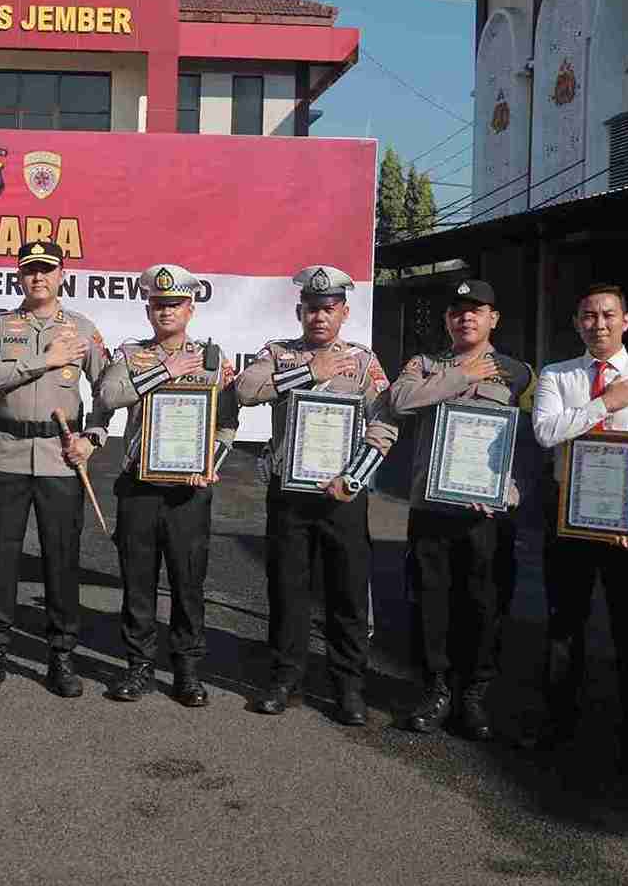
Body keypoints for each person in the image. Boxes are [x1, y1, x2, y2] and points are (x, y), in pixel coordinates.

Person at [526, 283, 628, 773]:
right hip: (567, 521)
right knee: (564, 626)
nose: (599, 324)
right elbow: (546, 433)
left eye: (608, 315)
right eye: (589, 316)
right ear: (577, 322)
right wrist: (606, 403)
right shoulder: (558, 376)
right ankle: (558, 726)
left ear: (627, 320)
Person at [236, 264, 397, 721]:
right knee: (288, 589)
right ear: (299, 311)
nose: (319, 317)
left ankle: (348, 686)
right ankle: (286, 677)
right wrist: (310, 370)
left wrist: (355, 477)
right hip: (289, 495)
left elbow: (384, 424)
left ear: (344, 312)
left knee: (346, 593)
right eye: (312, 309)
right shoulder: (279, 352)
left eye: (329, 309)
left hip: (342, 495)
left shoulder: (364, 362)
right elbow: (246, 390)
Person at [386, 279, 533, 740]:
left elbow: (535, 441)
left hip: (487, 514)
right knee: (431, 603)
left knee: (484, 606)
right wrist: (463, 376)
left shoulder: (520, 373)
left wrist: (513, 489)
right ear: (447, 320)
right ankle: (436, 691)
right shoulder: (424, 365)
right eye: (457, 311)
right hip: (431, 508)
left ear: (494, 318)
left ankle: (473, 695)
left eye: (476, 310)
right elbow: (400, 400)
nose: (465, 318)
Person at [0, 241, 112, 698]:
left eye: (46, 270)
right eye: (30, 270)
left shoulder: (83, 330)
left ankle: (61, 656)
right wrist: (44, 360)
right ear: (19, 276)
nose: (38, 278)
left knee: (60, 560)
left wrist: (92, 438)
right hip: (8, 454)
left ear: (61, 275)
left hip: (59, 460)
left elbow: (108, 391)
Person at [97, 264, 238, 706]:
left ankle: (187, 670)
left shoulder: (214, 358)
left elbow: (228, 423)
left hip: (188, 490)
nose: (165, 311)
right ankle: (138, 667)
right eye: (158, 304)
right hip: (139, 485)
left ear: (190, 308)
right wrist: (164, 368)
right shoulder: (131, 353)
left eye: (174, 303)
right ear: (147, 307)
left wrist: (210, 464)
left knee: (187, 581)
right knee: (137, 582)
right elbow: (107, 397)